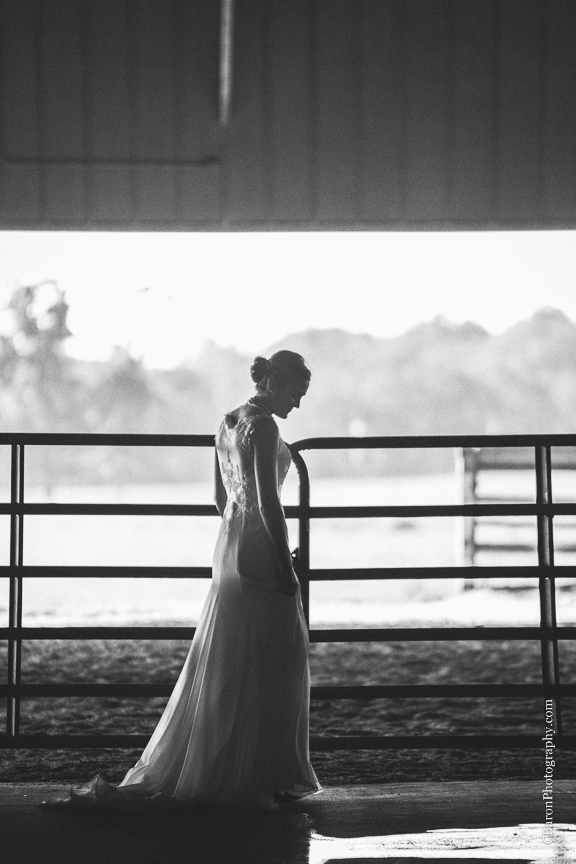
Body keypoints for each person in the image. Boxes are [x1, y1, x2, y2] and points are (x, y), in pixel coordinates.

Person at [40, 349, 320, 811]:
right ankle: (262, 773)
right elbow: (271, 503)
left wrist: (238, 531)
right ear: (273, 382)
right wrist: (283, 562)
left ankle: (227, 763)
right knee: (276, 658)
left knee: (230, 659)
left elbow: (219, 496)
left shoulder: (227, 422)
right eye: (296, 392)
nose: (297, 403)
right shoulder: (265, 427)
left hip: (229, 548)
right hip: (259, 552)